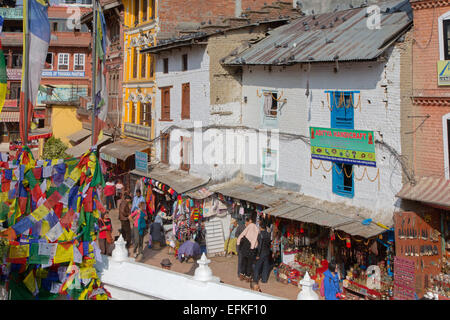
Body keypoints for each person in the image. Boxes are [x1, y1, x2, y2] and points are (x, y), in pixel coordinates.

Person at [236, 217, 259, 282]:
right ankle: (247, 278)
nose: (246, 223)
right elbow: (254, 239)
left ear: (250, 221)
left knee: (244, 262)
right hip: (251, 248)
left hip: (245, 246)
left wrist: (238, 243)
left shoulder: (249, 226)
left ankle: (241, 276)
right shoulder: (256, 228)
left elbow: (241, 235)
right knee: (249, 264)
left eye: (247, 221)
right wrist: (252, 248)